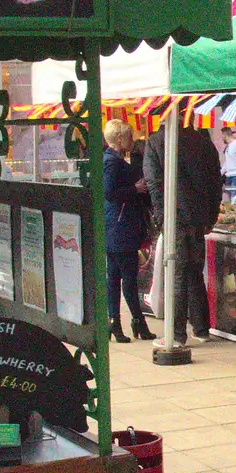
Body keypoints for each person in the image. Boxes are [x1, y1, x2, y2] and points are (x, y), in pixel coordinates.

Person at [145, 120, 222, 345]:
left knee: (177, 274)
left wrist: (161, 220)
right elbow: (215, 181)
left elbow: (154, 185)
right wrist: (212, 215)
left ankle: (176, 335)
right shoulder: (202, 142)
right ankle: (201, 328)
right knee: (194, 272)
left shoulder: (156, 142)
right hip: (198, 217)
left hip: (174, 218)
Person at [104, 120, 153, 343]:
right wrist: (136, 188)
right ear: (120, 139)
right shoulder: (113, 162)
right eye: (130, 137)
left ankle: (115, 322)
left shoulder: (112, 159)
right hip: (122, 226)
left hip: (114, 226)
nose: (132, 141)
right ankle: (137, 321)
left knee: (114, 277)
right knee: (128, 278)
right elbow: (110, 192)